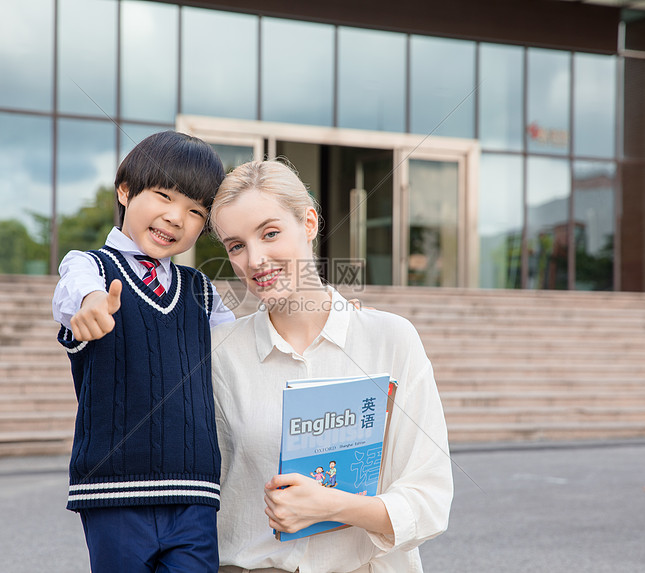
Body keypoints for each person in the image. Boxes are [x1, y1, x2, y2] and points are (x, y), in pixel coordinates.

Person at [209, 160, 453, 573]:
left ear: (308, 223)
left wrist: (335, 505)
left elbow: (429, 499)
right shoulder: (219, 354)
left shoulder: (390, 339)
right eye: (236, 246)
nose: (255, 260)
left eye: (270, 233)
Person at [51, 131, 235, 573]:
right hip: (114, 490)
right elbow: (76, 290)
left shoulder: (201, 291)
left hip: (194, 489)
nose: (176, 218)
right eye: (164, 196)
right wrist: (91, 304)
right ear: (125, 189)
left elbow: (245, 347)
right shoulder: (92, 267)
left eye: (195, 211)